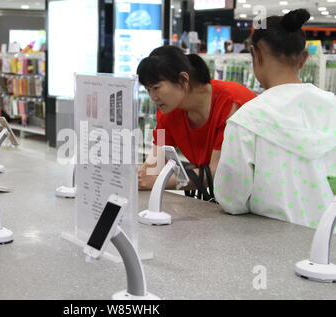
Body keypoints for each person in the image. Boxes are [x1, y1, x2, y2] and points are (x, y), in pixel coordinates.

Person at [214, 9, 336, 229]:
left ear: (256, 54)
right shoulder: (332, 106)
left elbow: (231, 199)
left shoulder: (247, 119)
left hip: (272, 243)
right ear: (304, 58)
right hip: (328, 243)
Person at [137, 45, 257, 197]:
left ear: (183, 79)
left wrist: (159, 181)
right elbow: (155, 161)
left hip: (257, 199)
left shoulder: (230, 103)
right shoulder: (166, 113)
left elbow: (217, 171)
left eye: (156, 87)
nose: (152, 97)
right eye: (148, 90)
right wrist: (141, 176)